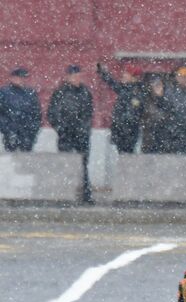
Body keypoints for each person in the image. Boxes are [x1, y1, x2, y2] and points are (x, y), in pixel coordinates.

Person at [47, 65, 94, 203]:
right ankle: (64, 195)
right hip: (65, 135)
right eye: (74, 76)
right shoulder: (59, 93)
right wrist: (61, 128)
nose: (77, 78)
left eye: (79, 76)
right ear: (67, 77)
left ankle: (86, 196)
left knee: (84, 166)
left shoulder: (85, 92)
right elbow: (52, 113)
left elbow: (88, 114)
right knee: (65, 164)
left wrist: (83, 129)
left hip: (82, 136)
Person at [96, 63, 145, 153]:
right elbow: (112, 82)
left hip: (128, 134)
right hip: (120, 132)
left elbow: (133, 115)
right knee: (121, 158)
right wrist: (102, 72)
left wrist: (122, 125)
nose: (123, 75)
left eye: (127, 74)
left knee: (127, 159)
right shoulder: (125, 88)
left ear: (134, 78)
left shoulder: (137, 92)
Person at [0, 67, 41, 152]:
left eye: (23, 77)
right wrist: (7, 128)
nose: (21, 80)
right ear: (12, 78)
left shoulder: (31, 93)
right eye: (18, 77)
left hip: (27, 134)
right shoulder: (4, 93)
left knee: (26, 161)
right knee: (10, 160)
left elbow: (37, 113)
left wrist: (33, 129)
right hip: (10, 133)